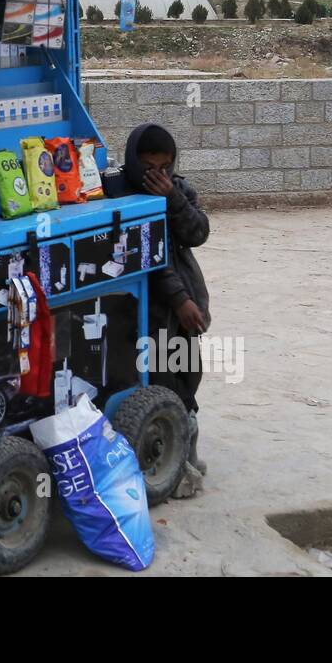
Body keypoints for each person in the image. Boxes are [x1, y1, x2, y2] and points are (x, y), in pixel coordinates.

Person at [104, 122, 210, 474]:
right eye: (149, 168)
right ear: (135, 162)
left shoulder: (178, 191)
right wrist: (179, 299)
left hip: (182, 302)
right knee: (157, 376)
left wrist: (172, 199)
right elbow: (148, 255)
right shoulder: (116, 192)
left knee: (188, 372)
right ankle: (164, 458)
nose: (158, 175)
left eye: (165, 168)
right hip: (142, 304)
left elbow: (198, 232)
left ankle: (185, 439)